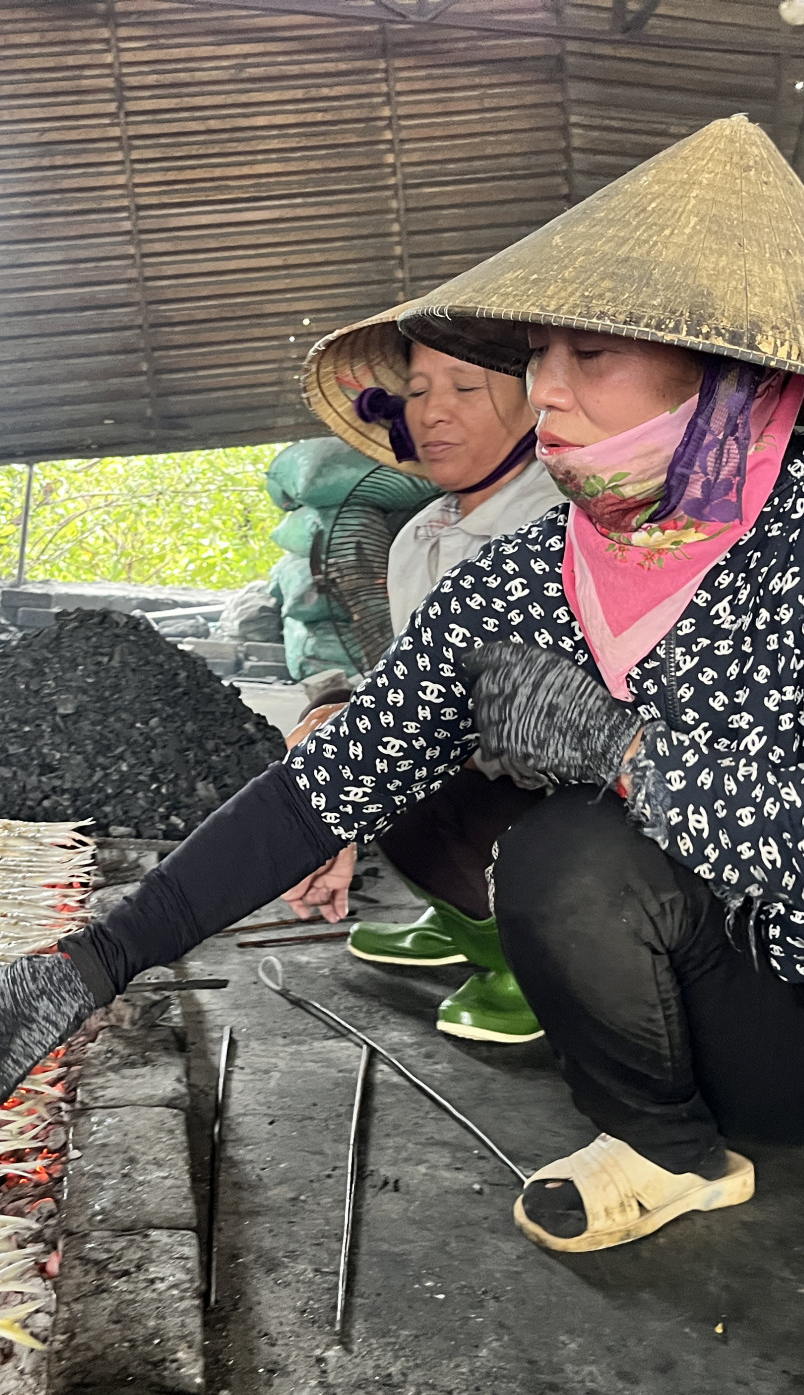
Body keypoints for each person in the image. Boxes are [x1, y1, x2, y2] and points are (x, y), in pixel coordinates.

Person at [0, 117, 804, 1395]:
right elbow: (334, 777)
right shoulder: (522, 580)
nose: (550, 392)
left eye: (591, 353)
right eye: (540, 357)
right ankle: (670, 1149)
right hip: (715, 1026)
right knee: (558, 855)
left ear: (733, 378)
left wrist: (624, 748)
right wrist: (95, 957)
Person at [293, 306, 564, 1043]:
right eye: (417, 391)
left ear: (534, 399)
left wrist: (366, 738)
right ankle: (461, 916)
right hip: (487, 760)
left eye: (466, 389)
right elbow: (407, 673)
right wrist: (334, 716)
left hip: (566, 789)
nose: (434, 412)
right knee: (332, 742)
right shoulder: (423, 533)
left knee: (404, 770)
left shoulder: (559, 525)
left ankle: (538, 963)